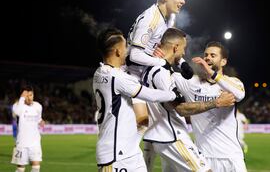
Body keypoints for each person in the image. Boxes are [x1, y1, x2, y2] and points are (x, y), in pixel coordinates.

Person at [142, 28, 235, 172]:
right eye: (183, 48)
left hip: (160, 137)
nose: (184, 53)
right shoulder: (162, 73)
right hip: (172, 136)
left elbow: (184, 72)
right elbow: (181, 109)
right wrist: (216, 103)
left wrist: (180, 63)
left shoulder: (153, 69)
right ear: (175, 47)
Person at [93, 28, 181, 172]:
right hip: (115, 155)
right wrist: (173, 95)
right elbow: (150, 95)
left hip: (130, 151)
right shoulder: (118, 78)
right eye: (125, 47)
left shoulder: (100, 72)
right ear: (118, 51)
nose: (128, 51)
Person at [127, 0, 192, 128]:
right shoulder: (151, 18)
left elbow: (170, 44)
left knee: (158, 121)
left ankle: (147, 152)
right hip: (131, 75)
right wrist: (162, 62)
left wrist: (182, 63)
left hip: (148, 72)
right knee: (142, 122)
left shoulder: (169, 18)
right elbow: (134, 55)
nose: (183, 1)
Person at [173, 41, 248, 172]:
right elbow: (166, 73)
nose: (207, 58)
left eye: (213, 55)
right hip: (203, 158)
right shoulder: (192, 83)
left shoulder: (232, 83)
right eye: (206, 55)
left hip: (231, 157)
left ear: (223, 62)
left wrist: (211, 72)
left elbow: (240, 94)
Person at [11, 86, 45, 172]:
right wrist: (22, 98)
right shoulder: (17, 106)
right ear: (22, 96)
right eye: (27, 95)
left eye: (31, 95)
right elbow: (18, 112)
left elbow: (38, 118)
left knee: (36, 167)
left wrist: (41, 121)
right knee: (20, 168)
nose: (29, 98)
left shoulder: (38, 106)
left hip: (35, 142)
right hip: (22, 142)